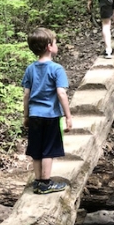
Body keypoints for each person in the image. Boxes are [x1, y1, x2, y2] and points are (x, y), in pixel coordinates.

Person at [22, 27, 73, 195]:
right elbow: (61, 93)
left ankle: (38, 182)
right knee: (48, 150)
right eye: (55, 42)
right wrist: (68, 115)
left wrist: (26, 116)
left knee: (36, 149)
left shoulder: (30, 69)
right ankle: (45, 183)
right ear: (50, 47)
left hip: (35, 115)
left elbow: (26, 95)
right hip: (51, 115)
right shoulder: (56, 69)